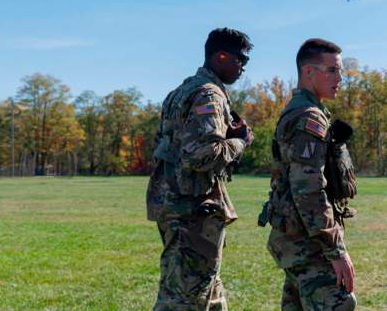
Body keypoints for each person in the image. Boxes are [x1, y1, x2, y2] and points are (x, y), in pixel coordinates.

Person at [146, 27, 255, 310]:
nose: (243, 67)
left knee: (210, 293)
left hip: (177, 204)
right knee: (182, 300)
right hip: (192, 209)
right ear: (220, 56)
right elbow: (202, 155)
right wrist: (240, 142)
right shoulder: (209, 95)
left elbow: (174, 145)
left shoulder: (181, 91)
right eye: (240, 59)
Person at [264, 38, 356, 310]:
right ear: (308, 72)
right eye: (332, 70)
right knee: (340, 304)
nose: (340, 77)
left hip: (297, 238)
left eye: (340, 71)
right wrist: (335, 250)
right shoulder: (309, 118)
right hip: (309, 243)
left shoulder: (303, 111)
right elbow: (309, 190)